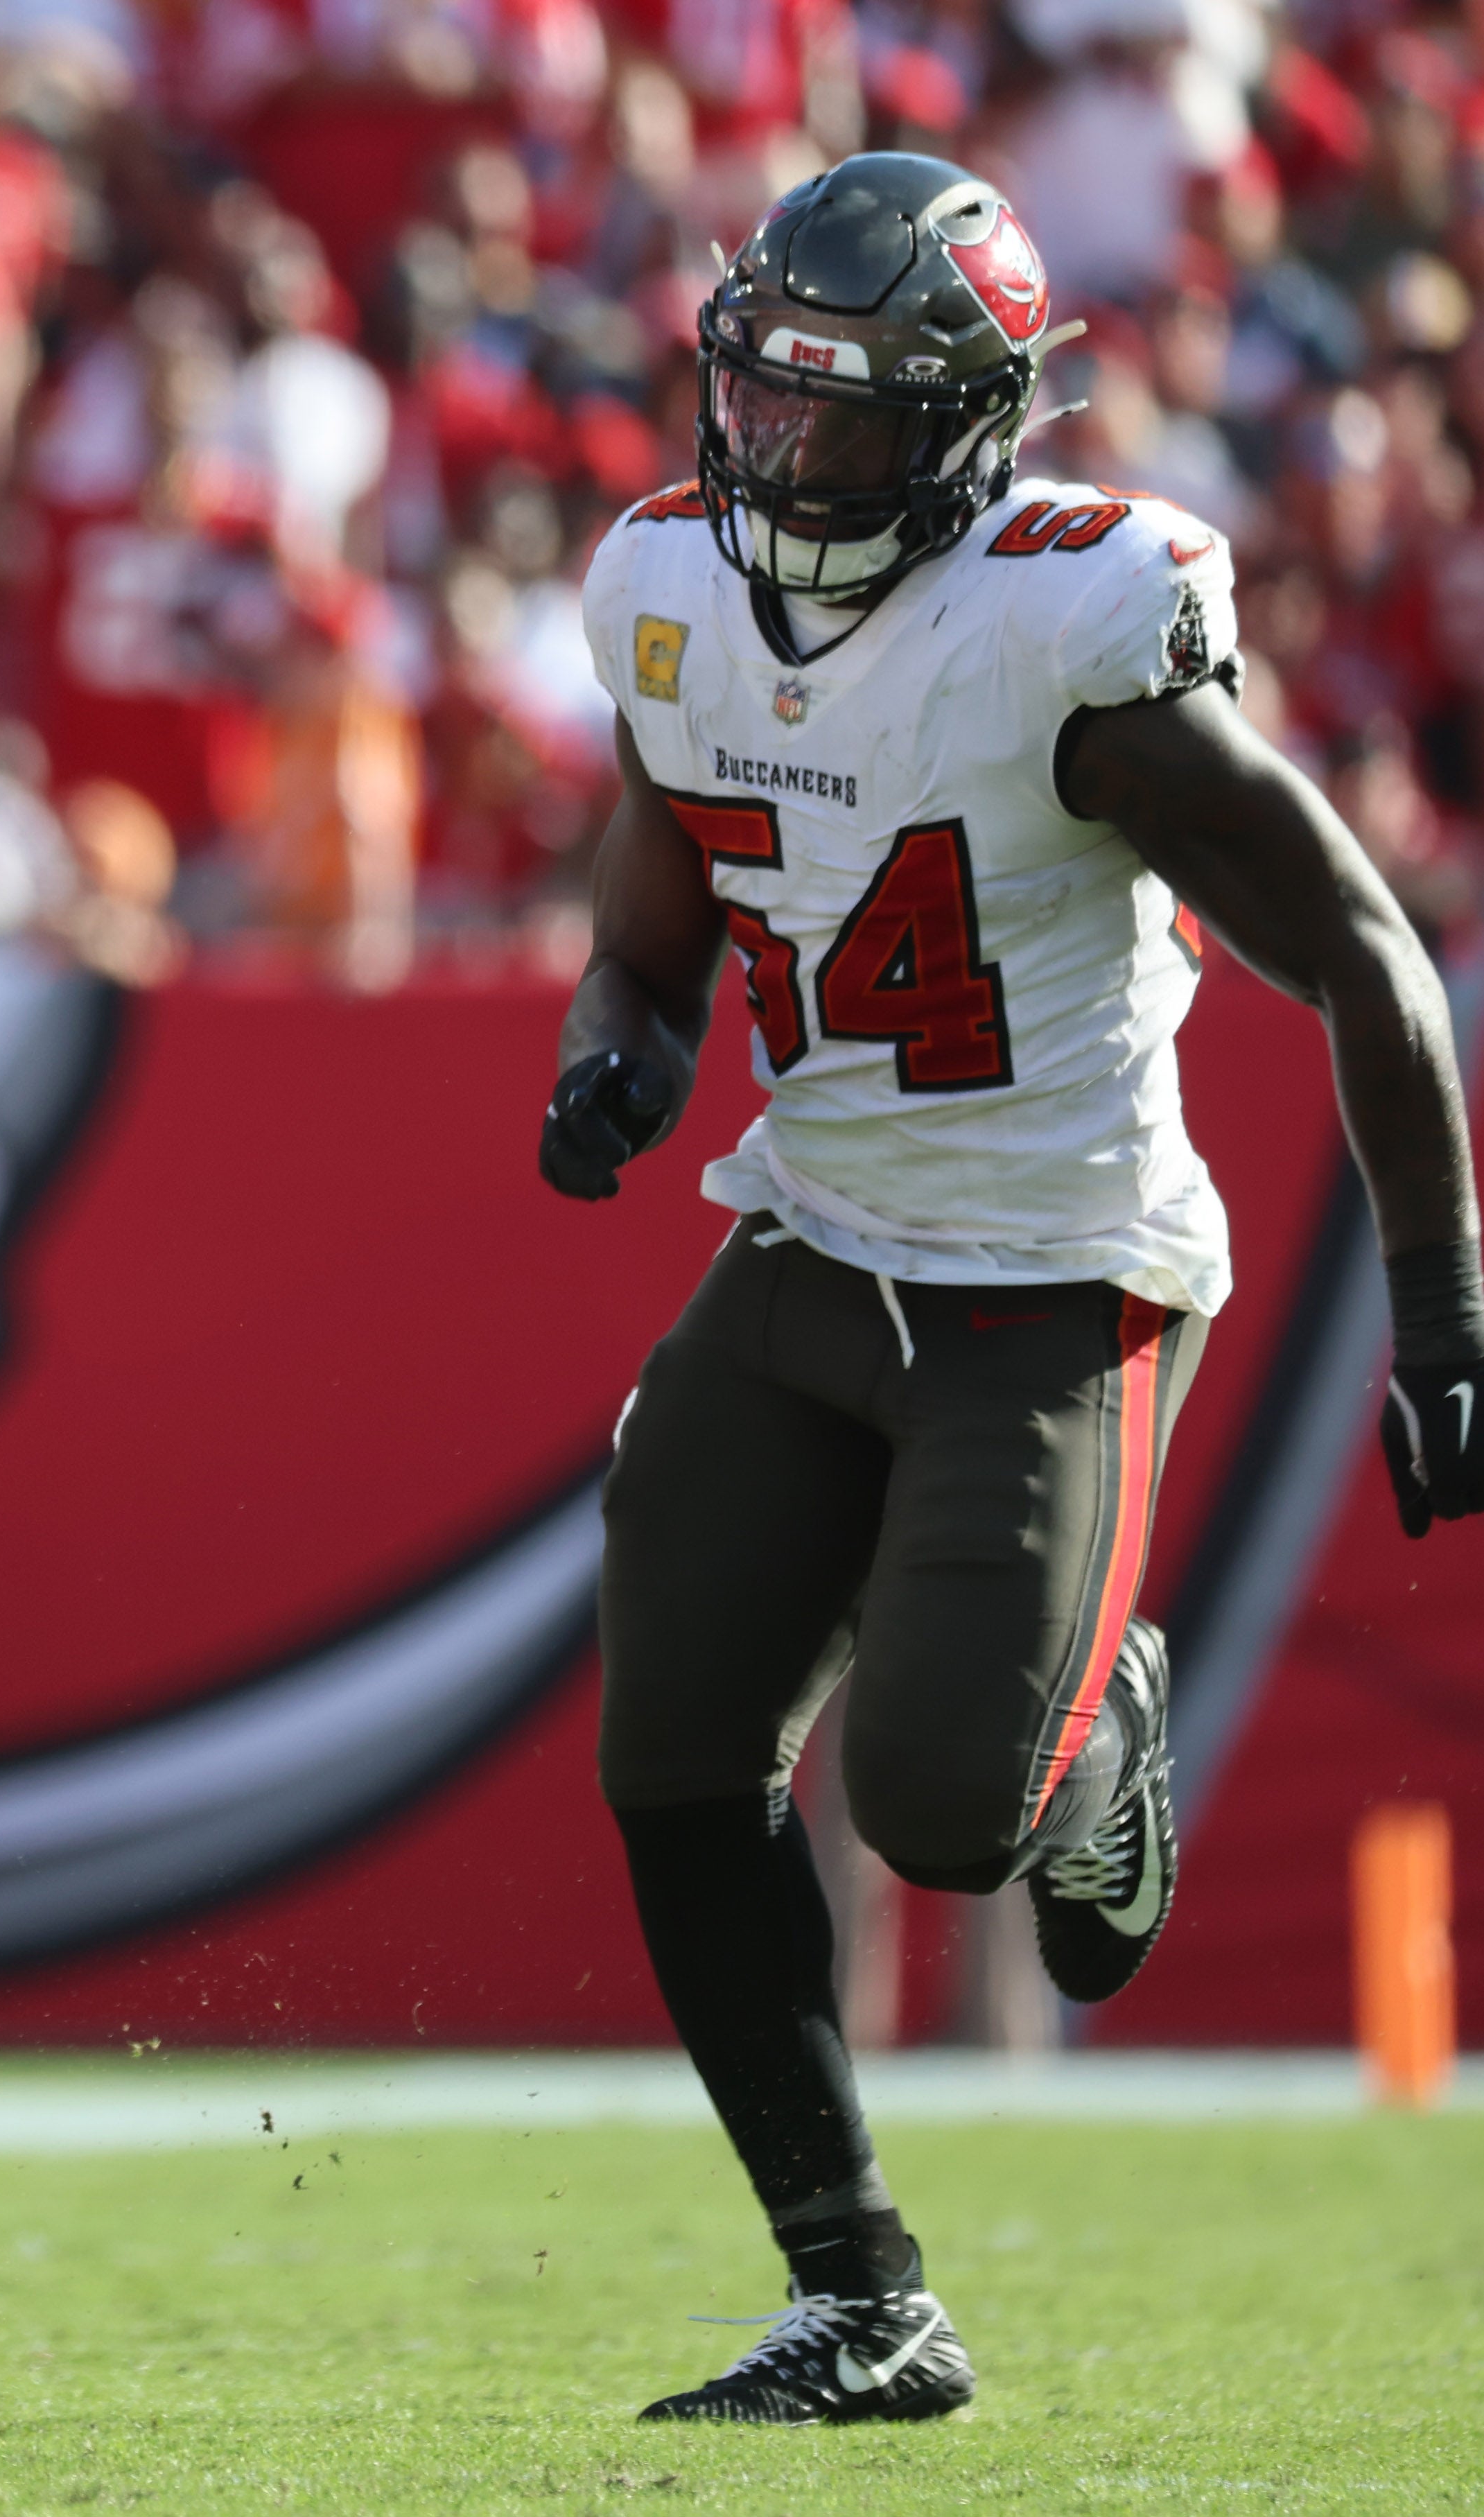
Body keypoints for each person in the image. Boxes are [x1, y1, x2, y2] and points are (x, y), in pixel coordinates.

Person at [543, 154, 1484, 2425]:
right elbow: (654, 918)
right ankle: (851, 2288)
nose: (774, 454)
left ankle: (1103, 1719)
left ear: (964, 425)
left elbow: (1358, 946)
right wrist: (614, 1058)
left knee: (951, 1815)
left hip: (1048, 1268)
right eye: (757, 398)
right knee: (672, 1746)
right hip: (810, 1227)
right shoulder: (667, 591)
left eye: (840, 414)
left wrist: (1440, 1310)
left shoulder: (1069, 625)